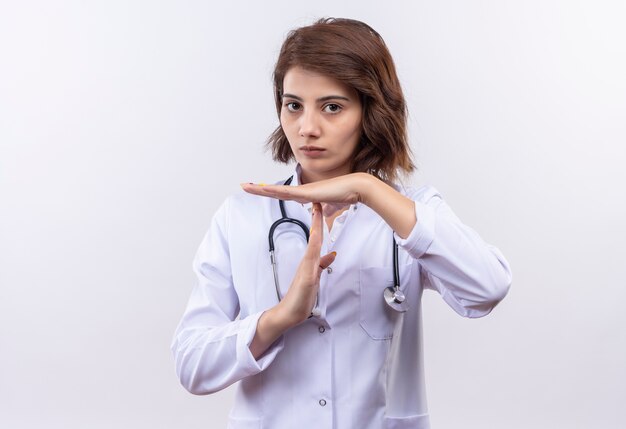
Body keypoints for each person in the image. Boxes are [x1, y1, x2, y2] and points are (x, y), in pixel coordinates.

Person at [171, 17, 511, 429]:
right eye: (293, 105)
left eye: (332, 107)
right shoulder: (241, 215)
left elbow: (486, 290)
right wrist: (279, 318)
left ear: (371, 110)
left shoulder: (412, 211)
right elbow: (192, 365)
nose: (307, 128)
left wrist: (370, 191)